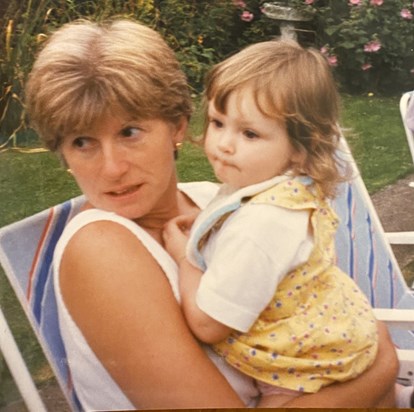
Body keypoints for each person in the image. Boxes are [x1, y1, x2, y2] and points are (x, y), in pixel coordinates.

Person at [24, 18, 398, 410]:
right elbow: (373, 346)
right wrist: (382, 368)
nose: (112, 168)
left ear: (178, 127)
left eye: (129, 132)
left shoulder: (221, 204)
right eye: (82, 142)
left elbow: (322, 307)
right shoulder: (102, 249)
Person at [163, 39, 392, 407]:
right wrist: (212, 225)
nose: (223, 144)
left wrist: (184, 259)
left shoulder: (264, 224)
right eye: (218, 122)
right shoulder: (277, 190)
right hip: (333, 344)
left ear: (300, 149)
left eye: (249, 133)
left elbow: (209, 324)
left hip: (301, 373)